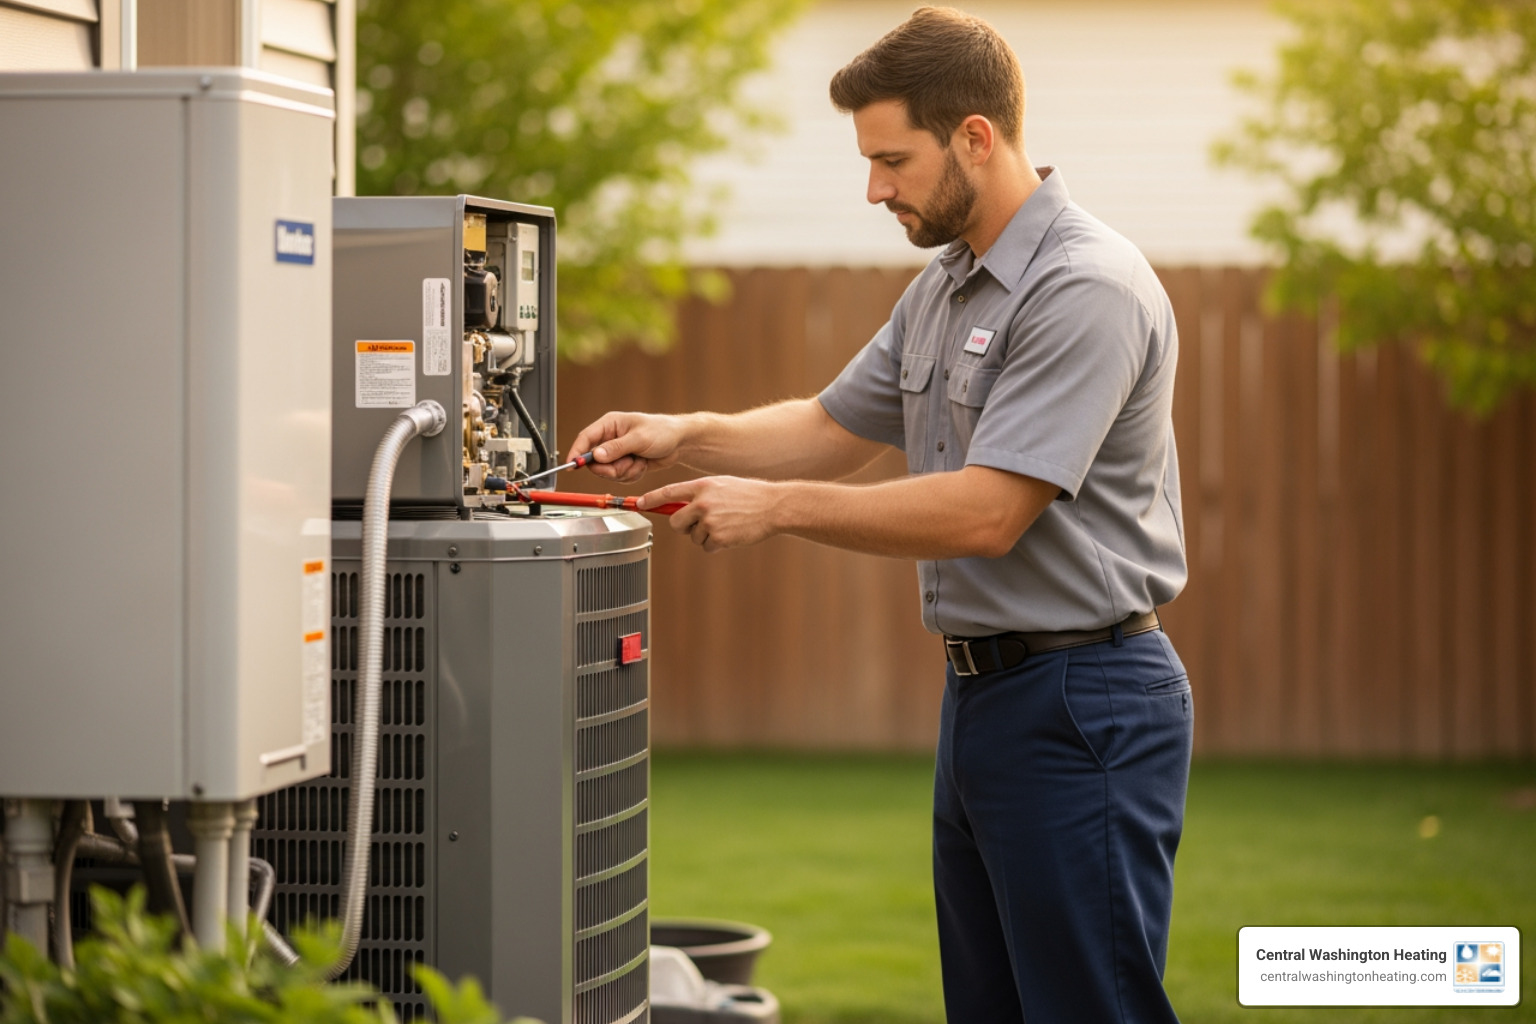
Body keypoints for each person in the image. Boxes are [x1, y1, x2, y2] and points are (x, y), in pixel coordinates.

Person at [568, 7, 1192, 1021]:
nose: (875, 189)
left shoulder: (1086, 287)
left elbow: (990, 511)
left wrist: (774, 508)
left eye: (892, 160)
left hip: (1084, 698)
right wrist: (685, 434)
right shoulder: (947, 287)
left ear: (975, 137)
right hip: (985, 700)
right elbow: (830, 426)